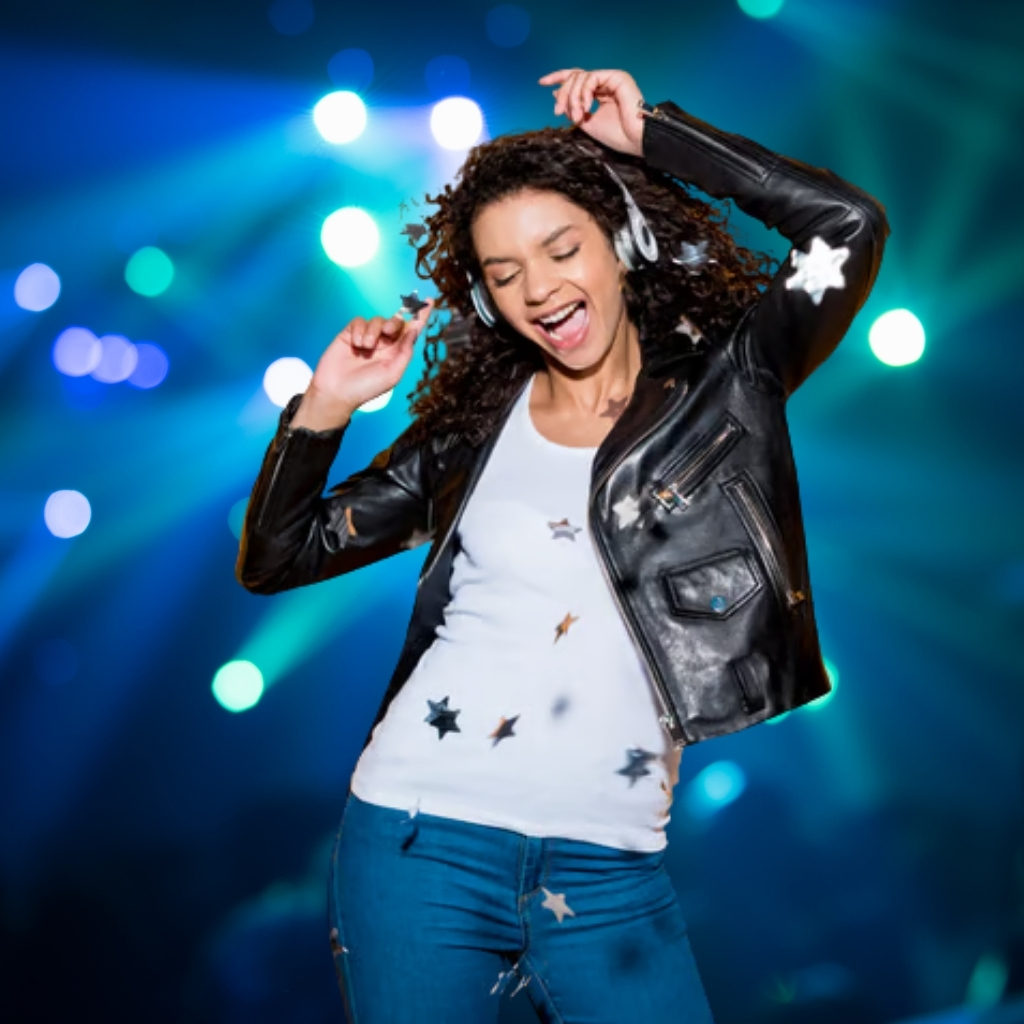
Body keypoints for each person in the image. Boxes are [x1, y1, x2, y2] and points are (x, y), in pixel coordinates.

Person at [237, 66, 889, 1024]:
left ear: (619, 244)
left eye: (559, 250)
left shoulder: (731, 382)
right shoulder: (471, 432)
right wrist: (327, 406)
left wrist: (657, 138)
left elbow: (849, 227)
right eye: (504, 275)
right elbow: (279, 554)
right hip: (418, 837)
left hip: (611, 862)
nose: (538, 289)